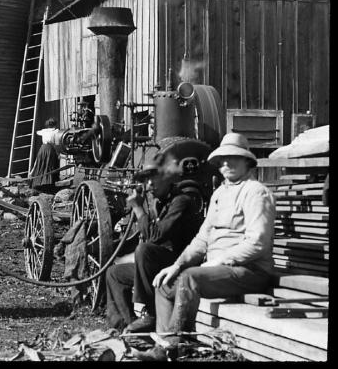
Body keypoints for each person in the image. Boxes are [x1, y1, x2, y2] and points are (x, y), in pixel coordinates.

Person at [138, 132, 275, 361]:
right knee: (165, 283)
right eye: (223, 159)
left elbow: (258, 242)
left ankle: (171, 347)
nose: (227, 163)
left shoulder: (256, 193)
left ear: (247, 162)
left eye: (234, 158)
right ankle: (167, 345)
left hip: (251, 271)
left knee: (189, 278)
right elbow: (202, 239)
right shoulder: (220, 193)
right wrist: (176, 265)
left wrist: (221, 260)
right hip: (219, 271)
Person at [103, 137, 208, 332]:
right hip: (159, 262)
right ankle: (125, 324)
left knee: (145, 250)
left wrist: (138, 209)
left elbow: (154, 237)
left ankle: (150, 313)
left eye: (153, 178)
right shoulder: (159, 203)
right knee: (114, 273)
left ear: (167, 178)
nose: (149, 184)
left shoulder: (181, 201)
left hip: (181, 262)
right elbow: (149, 235)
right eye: (145, 180)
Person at [29, 118, 61, 194]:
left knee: (40, 164)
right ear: (54, 125)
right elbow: (55, 144)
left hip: (43, 148)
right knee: (49, 165)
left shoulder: (43, 132)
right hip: (50, 149)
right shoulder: (55, 132)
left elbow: (37, 132)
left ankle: (38, 183)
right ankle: (48, 184)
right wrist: (58, 153)